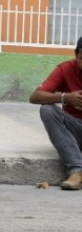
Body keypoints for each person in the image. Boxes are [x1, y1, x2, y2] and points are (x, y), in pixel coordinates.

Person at [29, 38, 82, 189]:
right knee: (47, 110)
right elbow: (35, 97)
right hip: (74, 130)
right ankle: (76, 171)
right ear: (76, 56)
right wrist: (66, 97)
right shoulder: (65, 69)